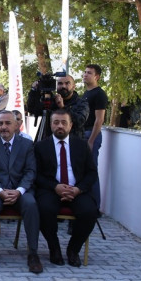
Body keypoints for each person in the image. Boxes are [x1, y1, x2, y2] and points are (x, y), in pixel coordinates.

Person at [34, 109, 98, 267]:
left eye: (64, 122)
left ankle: (73, 249)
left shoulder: (81, 145)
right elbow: (36, 174)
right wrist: (55, 186)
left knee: (90, 212)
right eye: (56, 122)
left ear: (71, 125)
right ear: (51, 125)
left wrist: (78, 189)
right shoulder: (40, 146)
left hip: (77, 190)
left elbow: (92, 173)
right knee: (44, 210)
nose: (60, 126)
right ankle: (54, 248)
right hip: (50, 190)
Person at [0, 110, 42, 273]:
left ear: (17, 125)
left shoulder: (27, 145)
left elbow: (30, 171)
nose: (4, 127)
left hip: (20, 189)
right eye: (0, 123)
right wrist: (0, 191)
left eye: (8, 123)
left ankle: (33, 253)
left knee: (31, 204)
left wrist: (19, 191)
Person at [27, 75, 89, 140]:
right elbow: (32, 109)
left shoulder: (81, 103)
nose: (63, 86)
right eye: (60, 83)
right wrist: (33, 91)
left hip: (73, 142)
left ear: (74, 87)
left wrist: (62, 107)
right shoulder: (50, 100)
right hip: (50, 142)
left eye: (67, 83)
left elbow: (80, 121)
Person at [81, 64, 107, 207]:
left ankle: (95, 206)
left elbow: (99, 119)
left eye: (89, 73)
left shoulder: (99, 94)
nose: (85, 75)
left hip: (91, 134)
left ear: (97, 77)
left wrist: (91, 141)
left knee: (91, 170)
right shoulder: (86, 93)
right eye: (85, 72)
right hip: (83, 134)